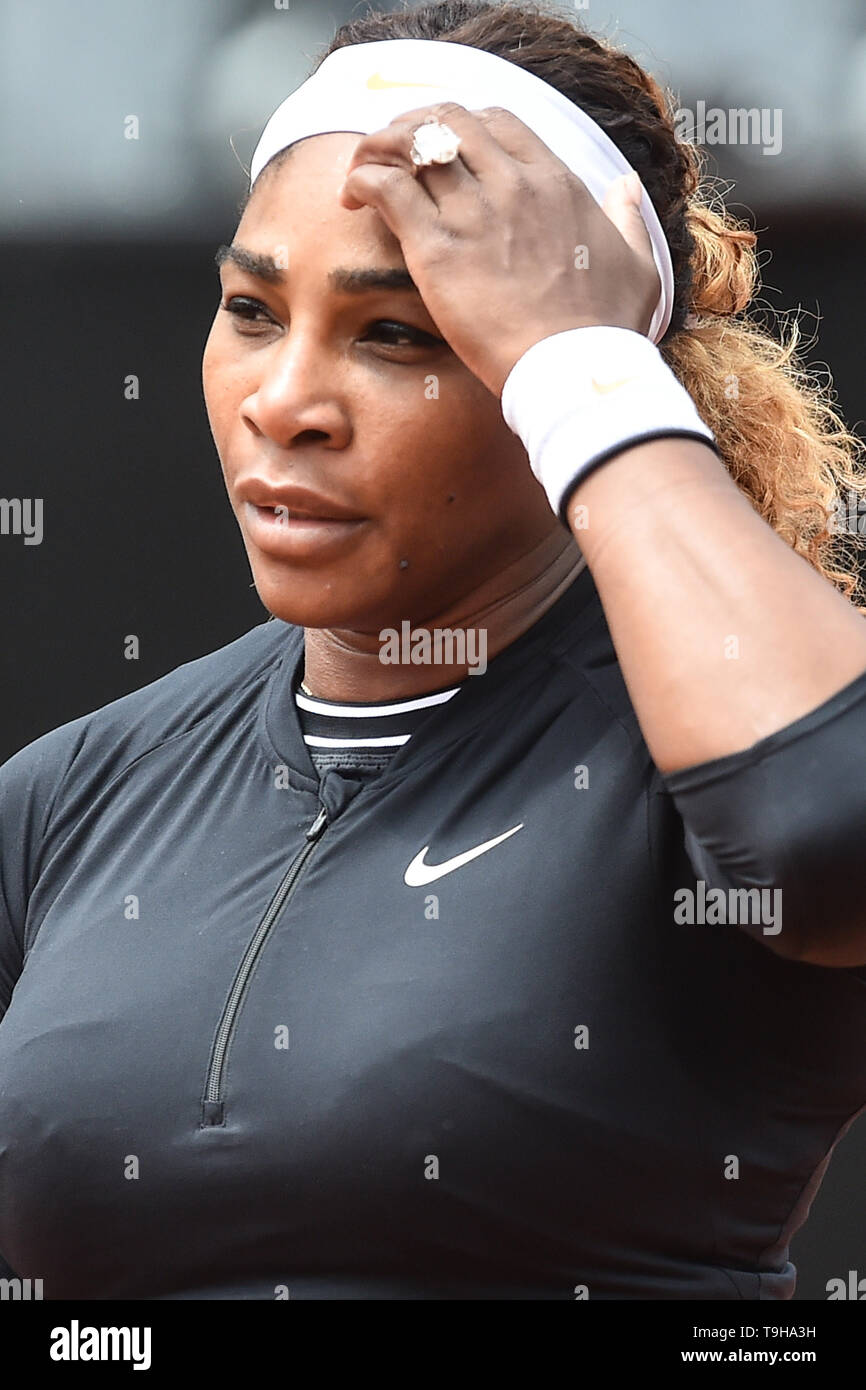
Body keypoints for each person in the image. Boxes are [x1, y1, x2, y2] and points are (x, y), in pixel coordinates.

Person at [2, 0, 866, 1301]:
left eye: (394, 333)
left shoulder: (703, 779)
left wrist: (583, 364)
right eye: (249, 308)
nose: (281, 401)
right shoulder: (71, 797)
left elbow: (826, 825)